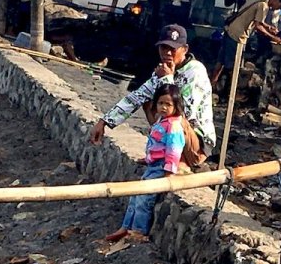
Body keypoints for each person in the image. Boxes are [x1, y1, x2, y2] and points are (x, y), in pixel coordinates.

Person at [90, 25, 215, 168]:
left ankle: (174, 161)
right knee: (148, 102)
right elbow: (135, 98)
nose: (167, 53)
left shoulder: (195, 71)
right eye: (164, 48)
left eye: (172, 49)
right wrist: (104, 122)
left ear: (184, 49)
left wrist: (167, 79)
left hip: (196, 142)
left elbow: (185, 112)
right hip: (174, 136)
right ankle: (158, 154)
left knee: (173, 116)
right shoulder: (162, 71)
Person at [105, 84, 187, 243]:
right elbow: (156, 144)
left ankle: (138, 231)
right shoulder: (162, 121)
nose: (163, 107)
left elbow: (173, 150)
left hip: (160, 168)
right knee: (135, 196)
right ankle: (126, 227)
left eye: (168, 104)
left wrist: (168, 173)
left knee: (144, 200)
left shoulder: (173, 126)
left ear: (176, 106)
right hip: (153, 165)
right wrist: (148, 158)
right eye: (160, 103)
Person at [211, 0, 281, 88]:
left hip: (230, 30)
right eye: (280, 6)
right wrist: (273, 37)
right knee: (234, 67)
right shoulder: (264, 6)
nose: (278, 9)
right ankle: (231, 92)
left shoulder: (259, 0)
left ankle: (212, 84)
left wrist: (268, 27)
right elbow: (258, 26)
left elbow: (256, 21)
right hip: (237, 36)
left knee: (220, 62)